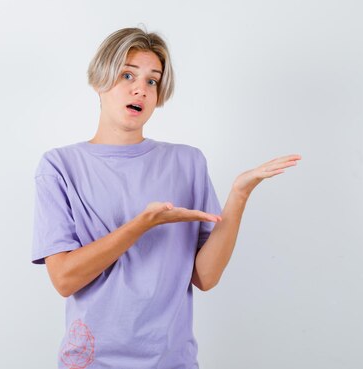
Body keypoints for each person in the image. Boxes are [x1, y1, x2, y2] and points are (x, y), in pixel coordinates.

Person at [31, 26, 301, 369]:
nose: (140, 89)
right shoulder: (60, 166)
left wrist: (239, 195)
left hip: (173, 361)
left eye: (152, 81)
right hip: (92, 362)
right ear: (100, 81)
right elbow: (65, 279)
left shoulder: (187, 162)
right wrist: (143, 224)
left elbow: (205, 277)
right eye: (127, 74)